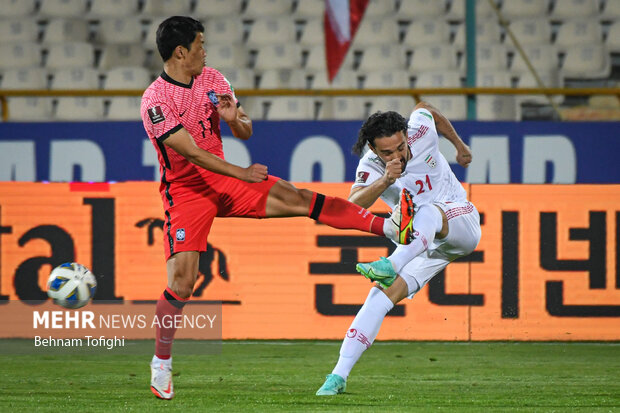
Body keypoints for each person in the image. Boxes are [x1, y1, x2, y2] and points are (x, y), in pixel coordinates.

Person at [140, 16, 414, 400]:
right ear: (180, 51)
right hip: (186, 191)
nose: (205, 51)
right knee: (183, 282)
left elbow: (244, 129)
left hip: (229, 181)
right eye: (200, 44)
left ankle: (388, 228)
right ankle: (161, 364)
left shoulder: (212, 78)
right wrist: (242, 171)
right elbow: (189, 152)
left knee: (299, 198)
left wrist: (235, 120)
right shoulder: (155, 100)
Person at [316, 102, 482, 396]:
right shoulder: (371, 165)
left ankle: (391, 264)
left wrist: (459, 145)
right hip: (421, 245)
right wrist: (385, 180)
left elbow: (426, 108)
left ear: (407, 135)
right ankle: (337, 376)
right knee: (377, 299)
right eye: (386, 153)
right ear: (373, 149)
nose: (396, 156)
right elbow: (353, 205)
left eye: (400, 148)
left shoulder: (421, 130)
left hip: (459, 221)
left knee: (428, 210)